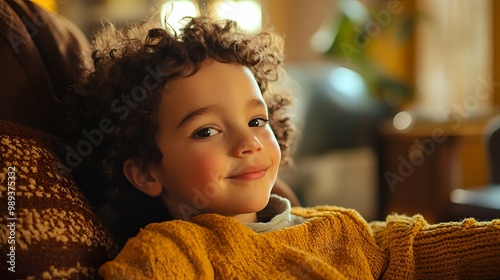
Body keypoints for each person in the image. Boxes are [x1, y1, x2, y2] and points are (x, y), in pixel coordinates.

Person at [66, 12, 500, 280]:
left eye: (257, 121)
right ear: (146, 172)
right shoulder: (175, 251)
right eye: (206, 131)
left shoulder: (339, 228)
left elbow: (424, 248)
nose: (248, 143)